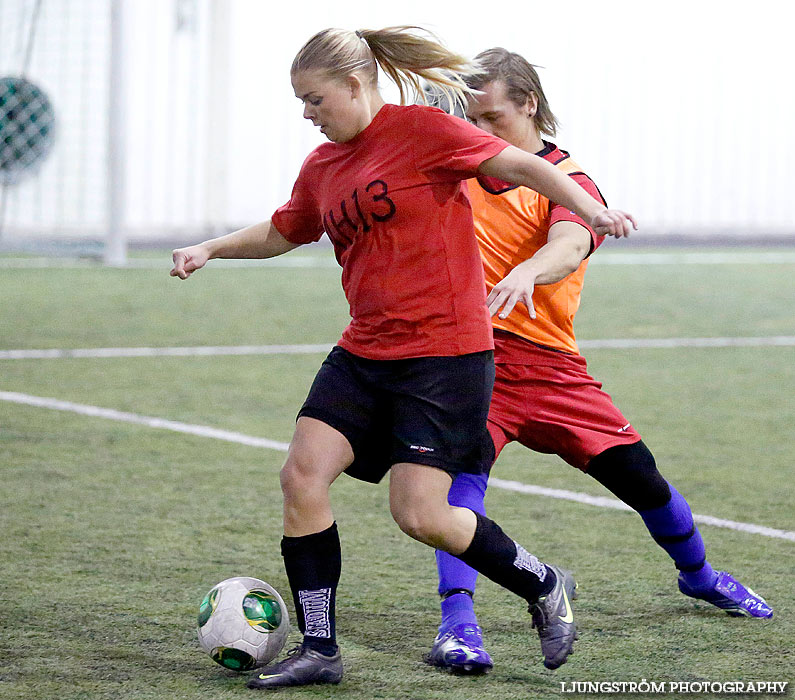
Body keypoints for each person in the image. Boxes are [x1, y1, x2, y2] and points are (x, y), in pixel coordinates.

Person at [171, 27, 636, 690]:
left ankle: (543, 582)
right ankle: (320, 648)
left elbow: (523, 165)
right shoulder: (322, 165)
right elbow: (284, 229)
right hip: (364, 350)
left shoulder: (423, 131)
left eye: (314, 98)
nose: (306, 111)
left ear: (354, 85)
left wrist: (590, 207)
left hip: (443, 359)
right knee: (302, 475)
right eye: (300, 101)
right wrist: (209, 248)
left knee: (419, 515)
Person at [424, 47, 774, 675]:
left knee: (643, 480)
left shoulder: (569, 179)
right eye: (470, 120)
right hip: (479, 363)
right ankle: (458, 626)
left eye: (493, 118)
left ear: (528, 104)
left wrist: (530, 271)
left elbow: (572, 239)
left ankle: (698, 575)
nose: (480, 133)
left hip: (553, 369)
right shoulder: (460, 167)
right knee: (456, 488)